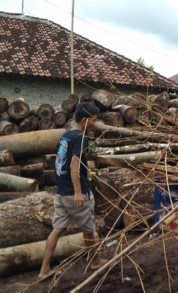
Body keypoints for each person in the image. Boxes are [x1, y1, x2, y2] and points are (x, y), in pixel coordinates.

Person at [39, 102, 106, 279]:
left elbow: (59, 161)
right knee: (88, 229)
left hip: (61, 192)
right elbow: (74, 164)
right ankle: (96, 261)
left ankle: (44, 269)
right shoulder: (81, 138)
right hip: (76, 192)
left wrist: (65, 187)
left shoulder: (65, 136)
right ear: (84, 120)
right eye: (93, 120)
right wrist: (77, 191)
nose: (95, 123)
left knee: (57, 229)